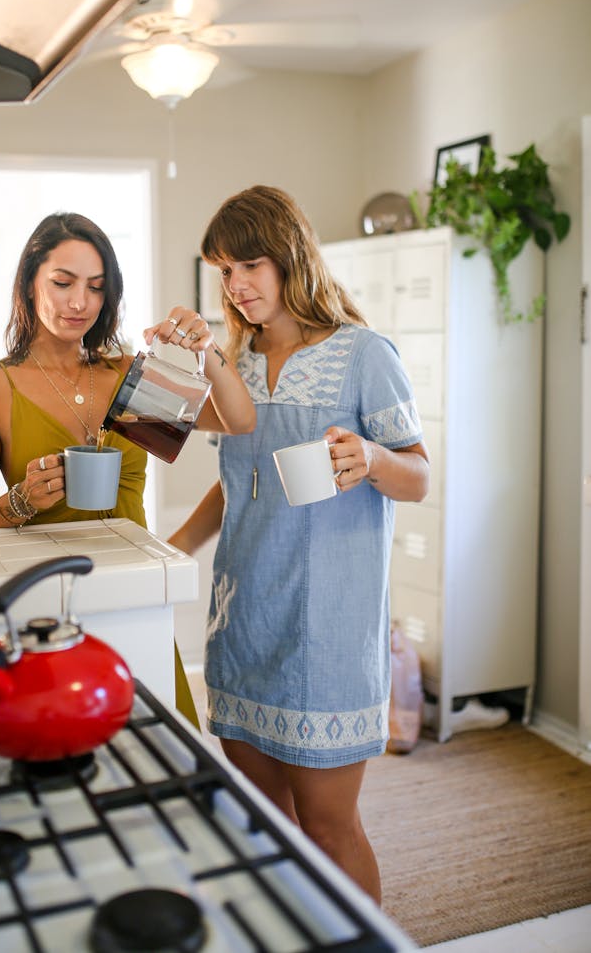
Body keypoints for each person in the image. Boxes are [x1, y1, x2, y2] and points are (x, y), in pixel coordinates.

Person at [168, 186, 429, 902]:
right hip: (244, 619)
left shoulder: (363, 354)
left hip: (327, 635)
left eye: (250, 264)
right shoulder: (233, 359)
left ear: (290, 257)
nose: (237, 285)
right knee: (268, 828)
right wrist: (170, 550)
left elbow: (420, 476)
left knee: (327, 826)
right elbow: (236, 480)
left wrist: (371, 459)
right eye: (223, 270)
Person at [0, 212, 256, 728]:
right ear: (29, 283)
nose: (79, 302)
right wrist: (20, 501)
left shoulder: (126, 374)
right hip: (47, 607)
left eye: (95, 287)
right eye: (63, 282)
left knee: (162, 755)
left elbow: (239, 419)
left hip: (136, 595)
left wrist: (206, 351)